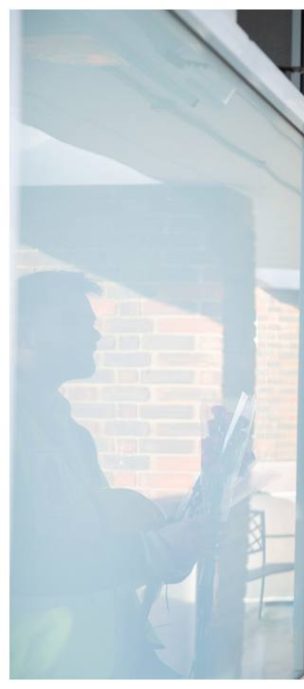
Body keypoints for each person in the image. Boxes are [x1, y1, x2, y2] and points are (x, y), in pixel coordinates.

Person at [11, 271, 221, 678]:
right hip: (49, 668)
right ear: (22, 332)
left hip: (114, 654)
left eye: (90, 324)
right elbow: (21, 560)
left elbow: (93, 537)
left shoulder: (70, 433)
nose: (94, 336)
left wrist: (201, 498)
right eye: (72, 321)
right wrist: (153, 550)